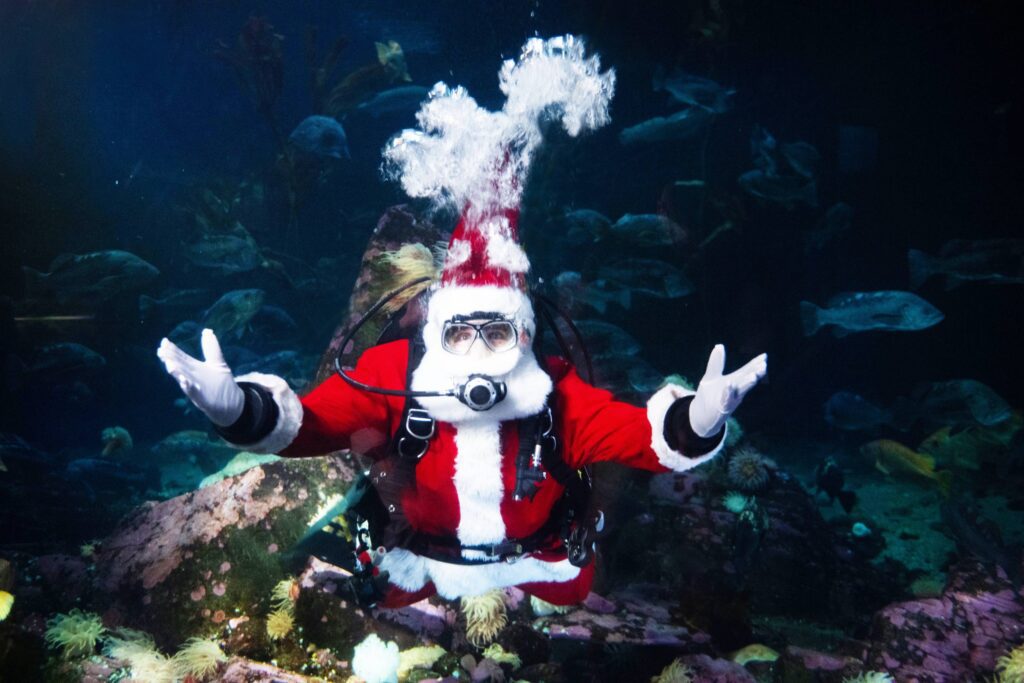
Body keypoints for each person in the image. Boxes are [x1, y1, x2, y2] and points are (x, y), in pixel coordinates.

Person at [156, 34, 767, 638]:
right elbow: (313, 424)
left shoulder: (553, 393)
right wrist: (241, 410)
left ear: (523, 335)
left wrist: (698, 420)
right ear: (437, 331)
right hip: (418, 557)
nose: (478, 355)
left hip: (542, 559)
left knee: (574, 587)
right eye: (460, 334)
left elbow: (638, 437)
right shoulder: (397, 375)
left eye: (497, 333)